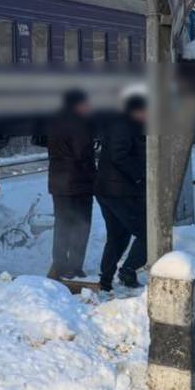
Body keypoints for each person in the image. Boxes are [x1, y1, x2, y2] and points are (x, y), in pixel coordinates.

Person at [94, 88, 148, 291]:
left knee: (118, 235)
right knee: (147, 233)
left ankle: (106, 279)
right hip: (119, 191)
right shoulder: (124, 126)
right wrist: (140, 175)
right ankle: (128, 270)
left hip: (110, 189)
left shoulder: (123, 124)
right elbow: (119, 155)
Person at [46, 88, 96, 282]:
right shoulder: (79, 124)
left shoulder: (55, 121)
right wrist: (95, 176)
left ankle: (59, 264)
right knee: (81, 226)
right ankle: (74, 267)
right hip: (78, 182)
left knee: (62, 225)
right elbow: (82, 153)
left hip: (58, 183)